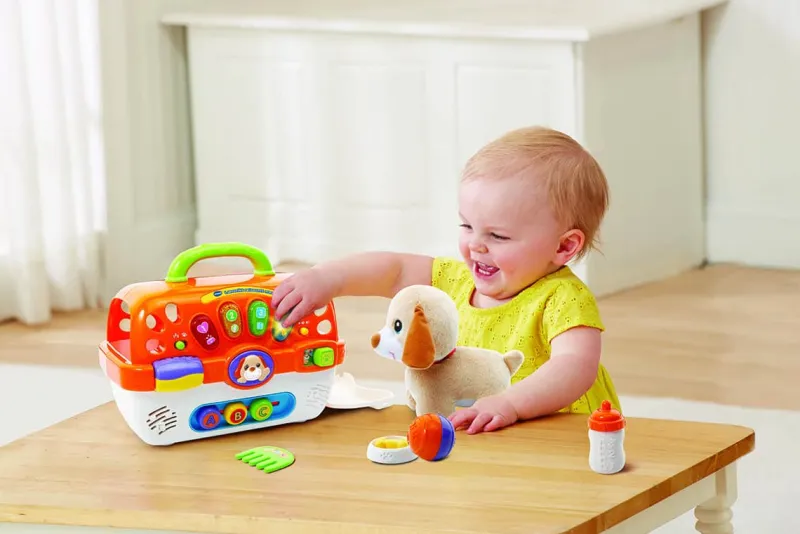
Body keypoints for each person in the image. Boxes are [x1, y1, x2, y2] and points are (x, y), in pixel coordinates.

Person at [270, 125, 621, 434]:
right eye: (467, 225)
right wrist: (327, 278)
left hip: (559, 437)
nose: (475, 245)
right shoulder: (456, 281)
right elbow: (395, 270)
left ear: (563, 246)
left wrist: (510, 404)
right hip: (478, 428)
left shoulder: (565, 298)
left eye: (498, 236)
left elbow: (574, 367)